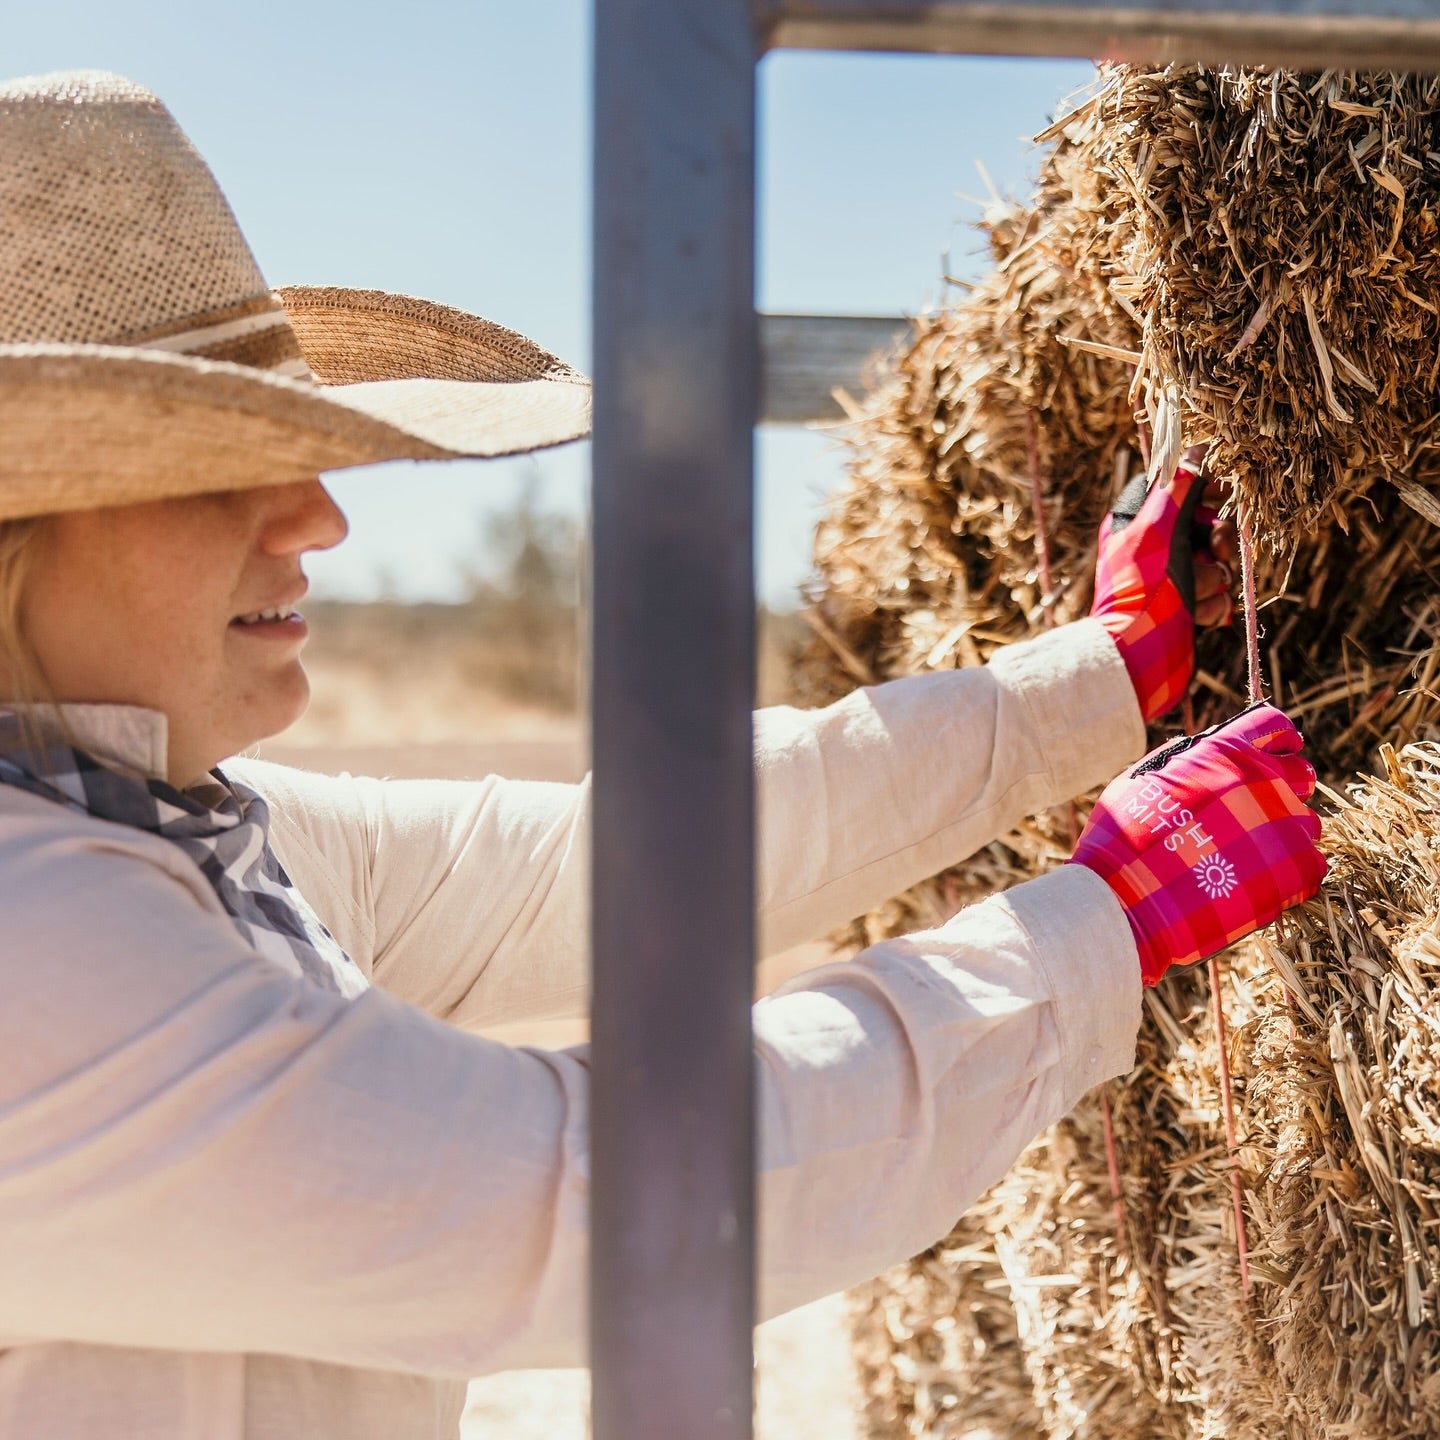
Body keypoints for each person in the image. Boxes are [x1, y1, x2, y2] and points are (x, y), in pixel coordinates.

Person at [0, 70, 1325, 1440]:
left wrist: (1099, 678)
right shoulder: (33, 939)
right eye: (218, 465)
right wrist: (1095, 928)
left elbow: (622, 869)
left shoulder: (171, 827)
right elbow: (578, 1198)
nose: (320, 520)